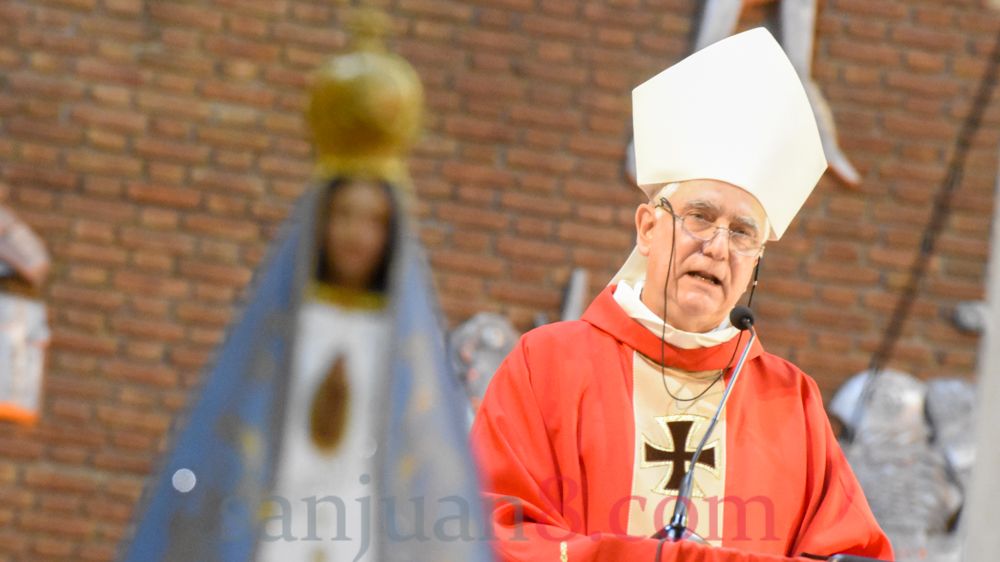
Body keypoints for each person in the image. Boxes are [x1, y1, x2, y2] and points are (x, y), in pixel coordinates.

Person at [471, 29, 894, 561]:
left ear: (756, 262)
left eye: (743, 233)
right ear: (647, 228)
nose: (717, 246)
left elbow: (854, 553)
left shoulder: (790, 400)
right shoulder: (549, 363)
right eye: (699, 216)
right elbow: (489, 530)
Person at [257, 175, 397, 562]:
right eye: (343, 215)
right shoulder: (284, 323)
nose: (356, 234)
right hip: (277, 521)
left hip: (358, 528)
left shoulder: (400, 341)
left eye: (374, 221)